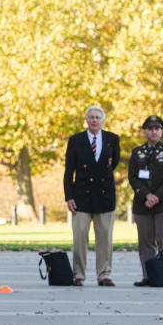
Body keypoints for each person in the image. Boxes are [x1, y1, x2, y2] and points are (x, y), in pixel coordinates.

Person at [63, 106, 120, 287]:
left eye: (98, 118)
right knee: (80, 237)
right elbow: (68, 171)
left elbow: (113, 163)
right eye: (91, 117)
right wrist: (69, 197)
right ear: (87, 120)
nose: (95, 120)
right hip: (81, 196)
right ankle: (78, 274)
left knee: (105, 237)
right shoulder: (75, 140)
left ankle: (103, 274)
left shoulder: (112, 139)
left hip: (104, 195)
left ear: (103, 121)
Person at [127, 115, 163, 286]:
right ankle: (148, 275)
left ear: (161, 131)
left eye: (157, 128)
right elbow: (133, 177)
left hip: (162, 204)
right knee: (145, 243)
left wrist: (157, 196)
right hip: (142, 204)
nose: (154, 132)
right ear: (145, 131)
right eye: (150, 129)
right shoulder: (137, 152)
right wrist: (146, 195)